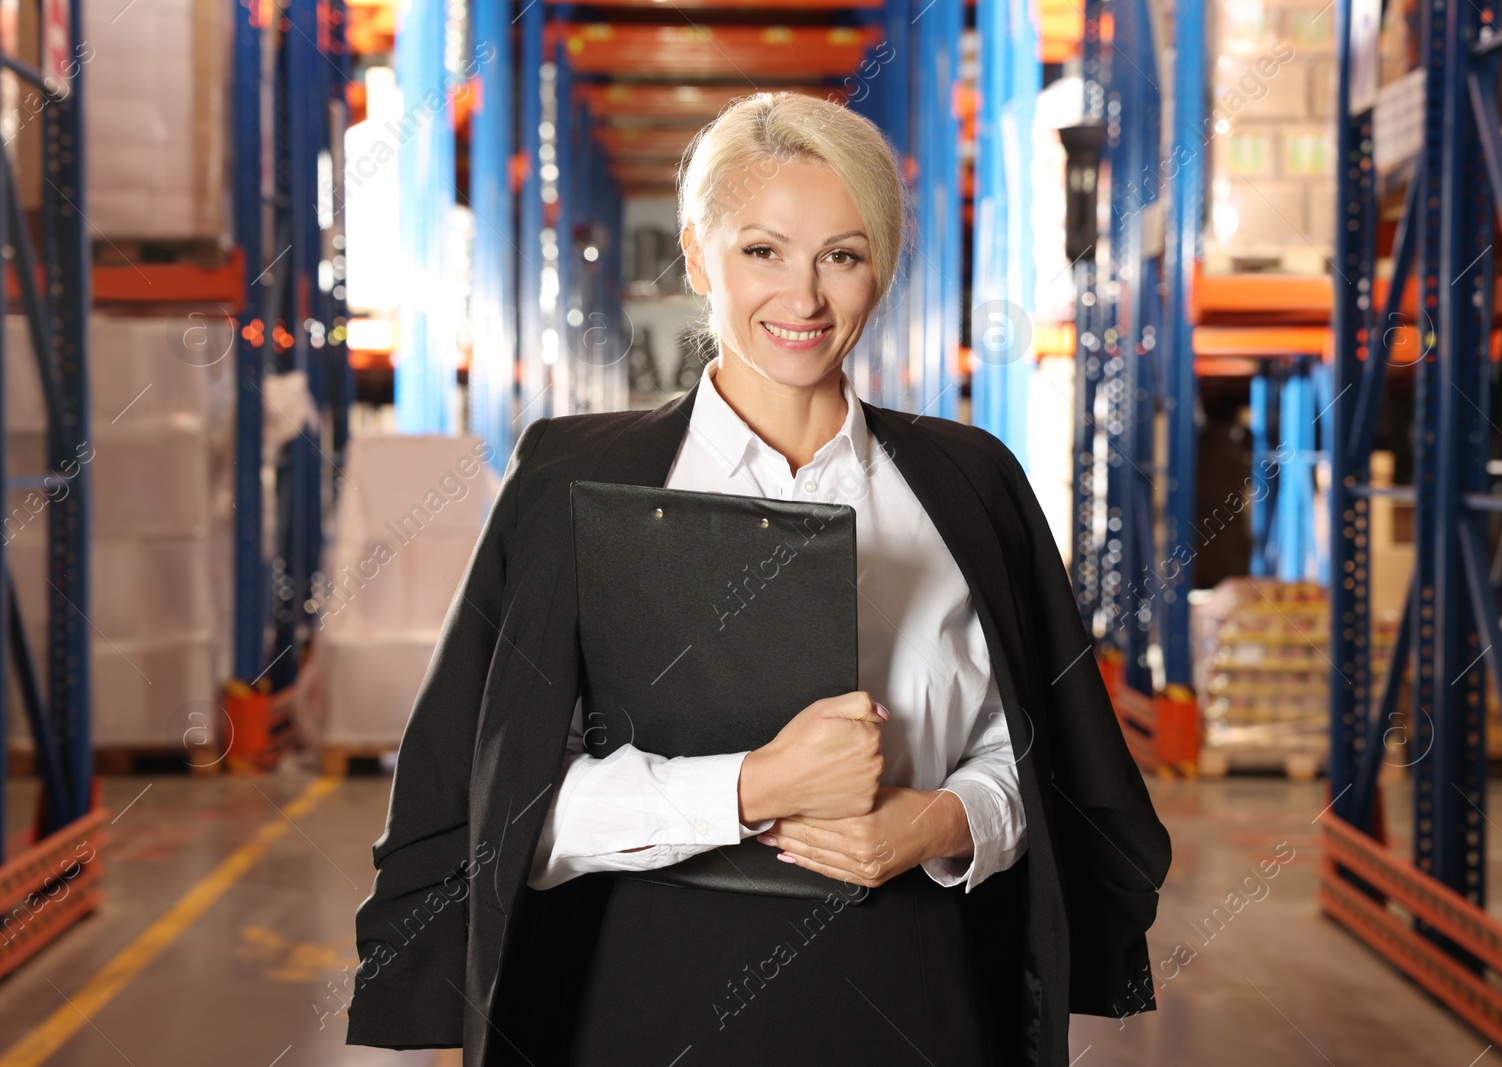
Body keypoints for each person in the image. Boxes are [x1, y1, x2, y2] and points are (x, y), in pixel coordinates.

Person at [347, 91, 1170, 1067]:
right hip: (648, 1000)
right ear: (698, 255)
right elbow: (507, 804)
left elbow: (1040, 760)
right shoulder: (578, 483)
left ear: (882, 269)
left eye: (843, 255)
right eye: (762, 250)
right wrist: (750, 786)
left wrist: (942, 819)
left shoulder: (968, 483)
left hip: (924, 993)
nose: (805, 297)